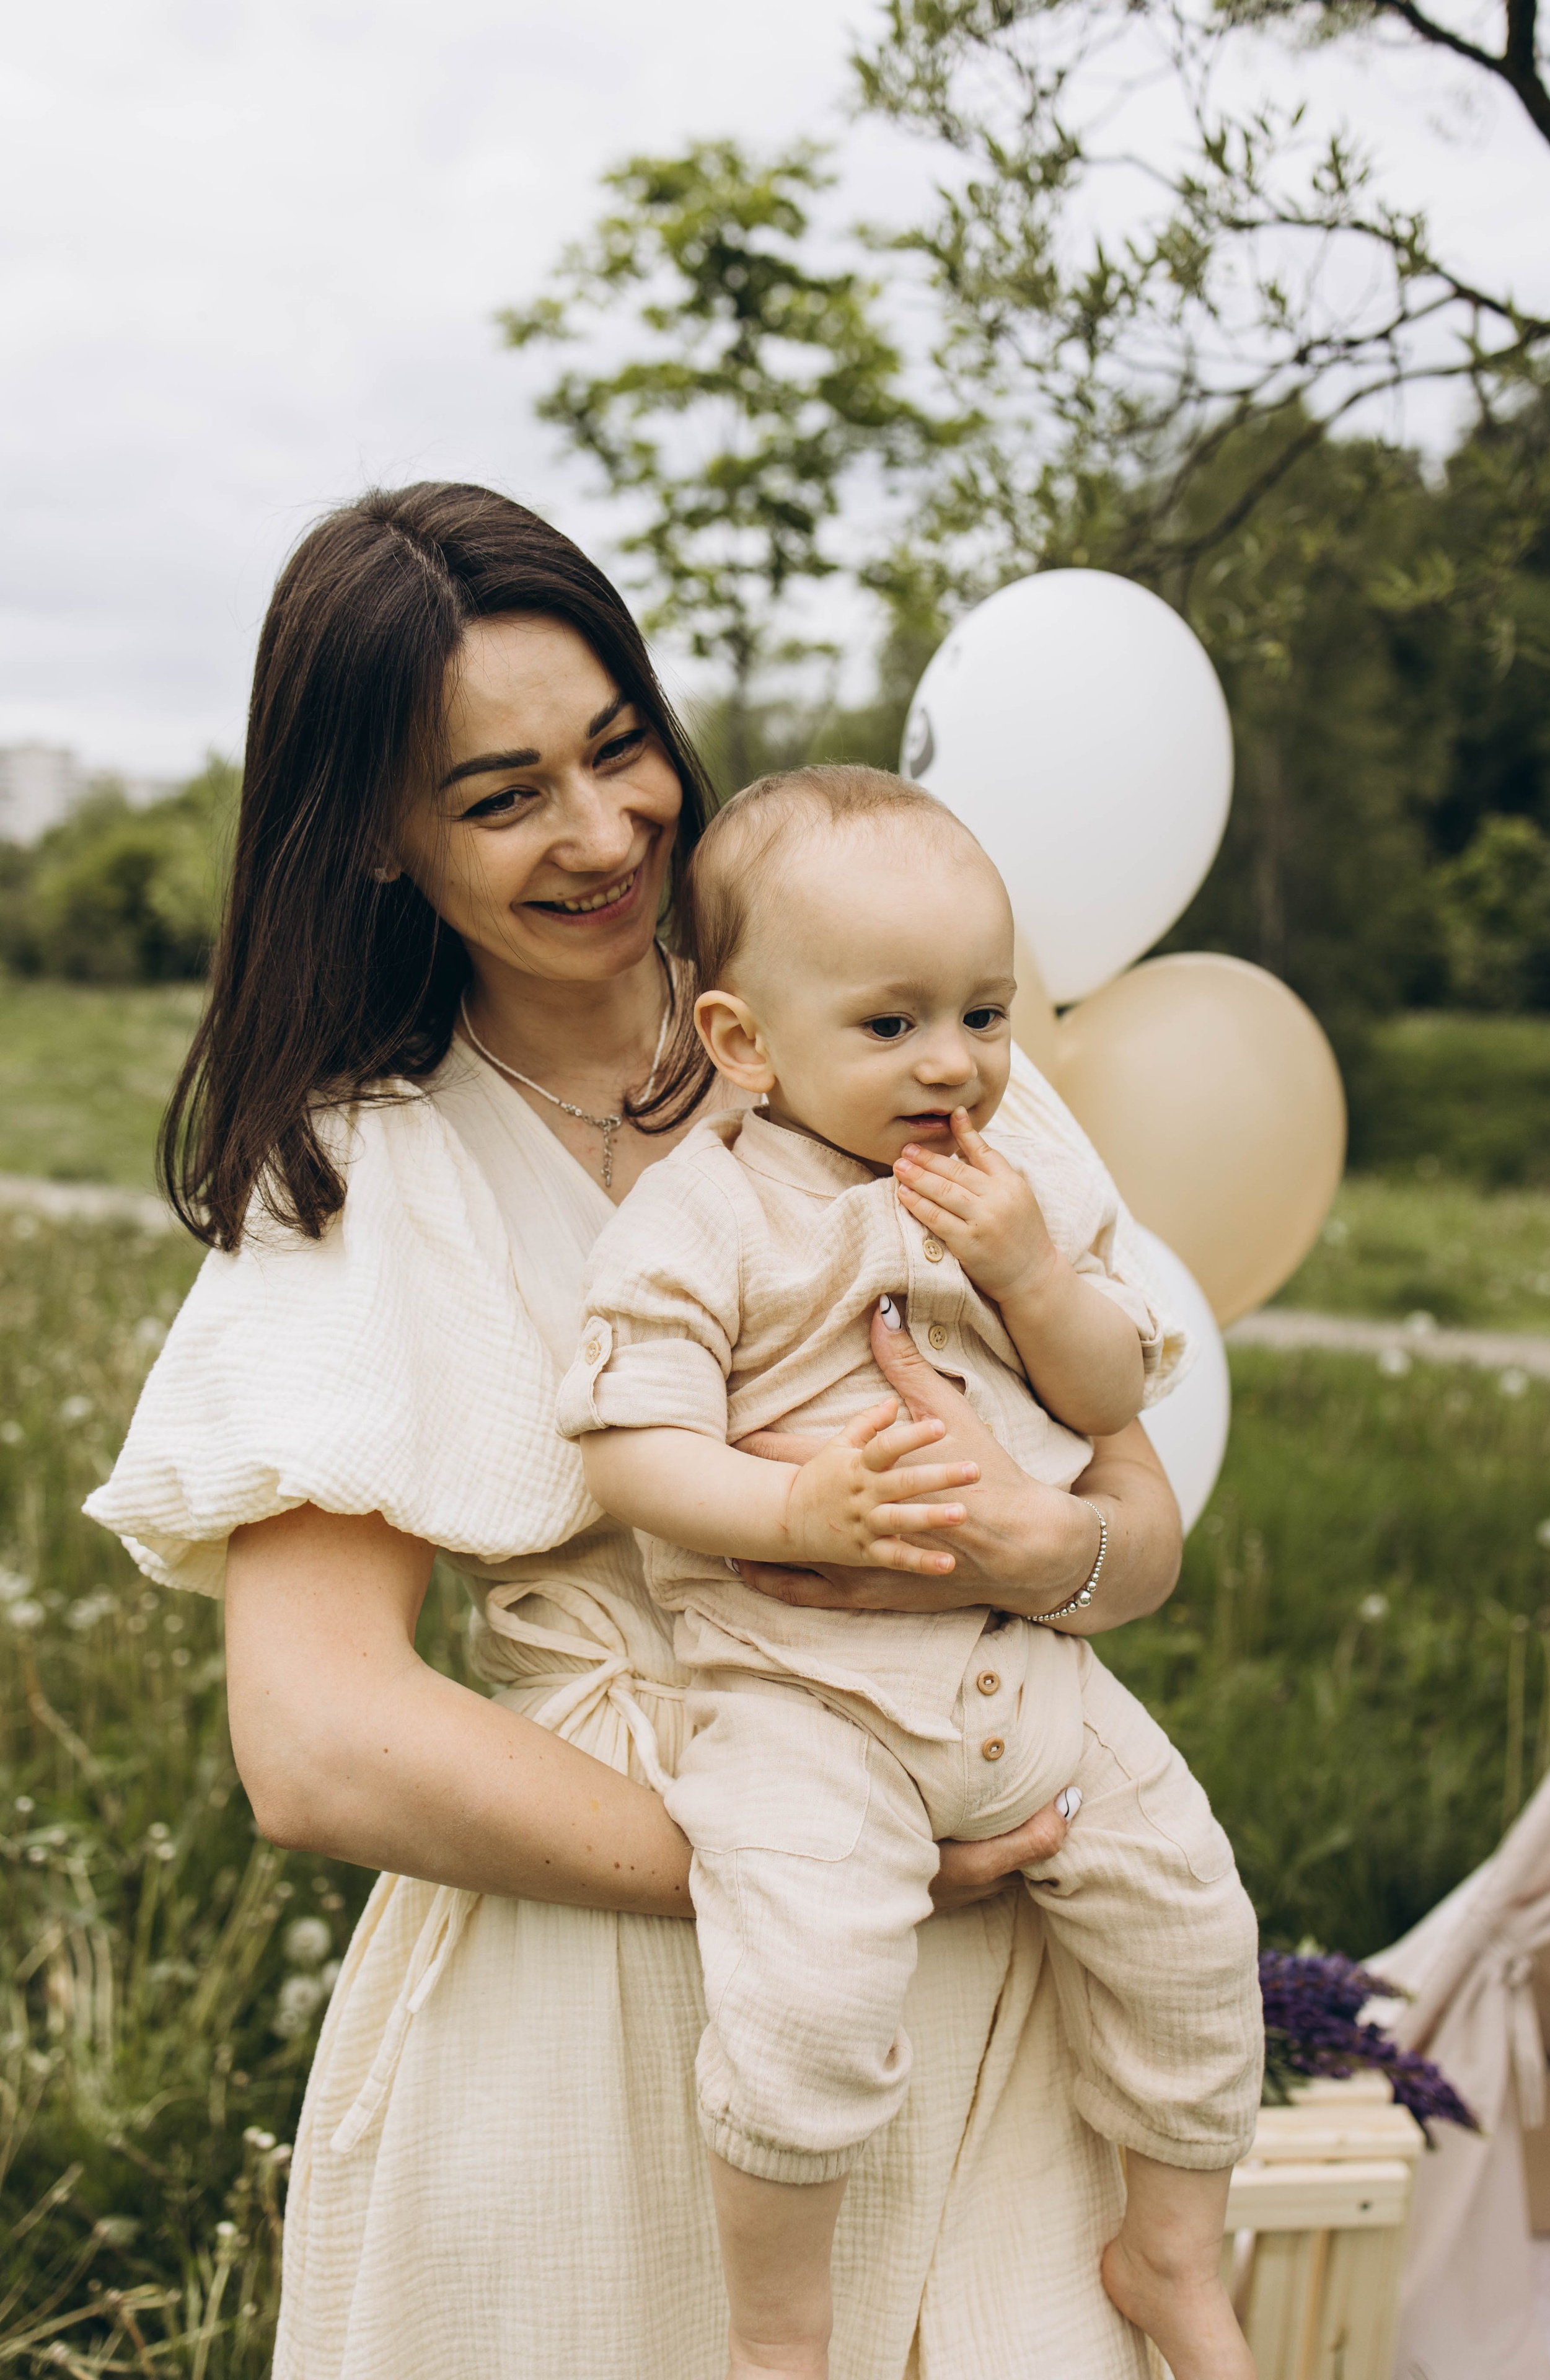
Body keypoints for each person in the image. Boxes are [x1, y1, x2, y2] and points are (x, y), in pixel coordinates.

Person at [90, 481, 1198, 2380]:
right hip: (619, 1977)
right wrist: (795, 1859)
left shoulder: (890, 1031)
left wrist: (1051, 1554)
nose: (603, 833)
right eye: (502, 794)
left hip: (991, 1934)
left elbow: (1139, 1528)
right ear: (374, 835)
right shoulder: (367, 1168)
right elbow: (317, 1741)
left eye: (620, 750)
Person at [560, 766, 1262, 2380]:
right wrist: (799, 1509)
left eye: (986, 1013)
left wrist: (1027, 1270)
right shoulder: (705, 1219)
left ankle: (1170, 2257)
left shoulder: (1028, 1176)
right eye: (893, 1027)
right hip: (810, 1703)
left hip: (1041, 1682)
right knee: (803, 1999)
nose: (955, 1063)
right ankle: (780, 2339)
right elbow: (631, 1449)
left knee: (1194, 1937)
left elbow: (1108, 1399)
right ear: (745, 1043)